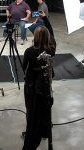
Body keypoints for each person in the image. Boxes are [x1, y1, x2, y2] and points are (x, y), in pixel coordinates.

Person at [22, 11, 56, 150]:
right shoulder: (51, 48)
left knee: (32, 111)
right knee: (44, 109)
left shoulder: (29, 52)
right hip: (46, 85)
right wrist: (45, 19)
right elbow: (52, 34)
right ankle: (44, 131)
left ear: (35, 37)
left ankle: (32, 132)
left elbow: (24, 68)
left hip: (32, 86)